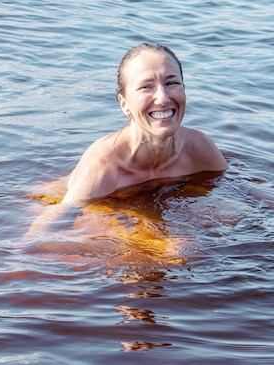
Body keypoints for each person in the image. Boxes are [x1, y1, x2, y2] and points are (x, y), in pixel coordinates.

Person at [25, 43, 227, 239]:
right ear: (124, 104)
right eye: (146, 87)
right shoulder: (104, 162)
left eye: (171, 83)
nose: (163, 98)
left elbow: (231, 190)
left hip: (139, 200)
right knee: (178, 249)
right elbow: (60, 215)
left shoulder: (199, 147)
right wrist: (20, 260)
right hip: (80, 198)